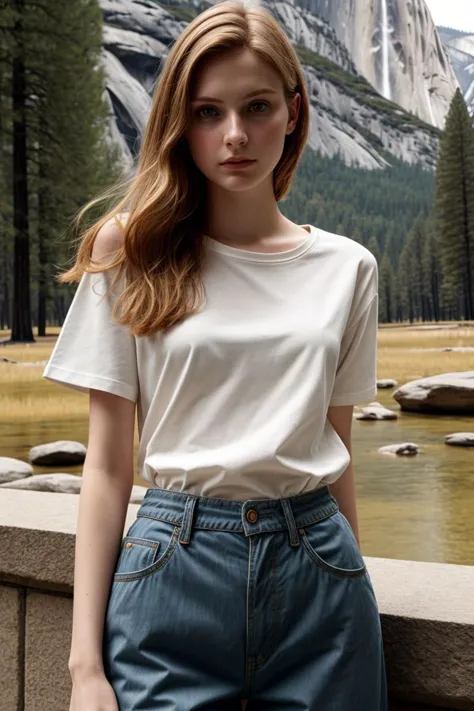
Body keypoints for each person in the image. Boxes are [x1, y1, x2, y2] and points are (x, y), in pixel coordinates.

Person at [42, 1, 388, 709]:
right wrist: (86, 668)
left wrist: (359, 592)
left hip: (320, 585)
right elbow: (107, 466)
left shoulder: (348, 268)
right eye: (207, 113)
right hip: (171, 578)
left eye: (257, 107)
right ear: (180, 123)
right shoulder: (131, 250)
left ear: (293, 113)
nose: (235, 135)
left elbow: (337, 452)